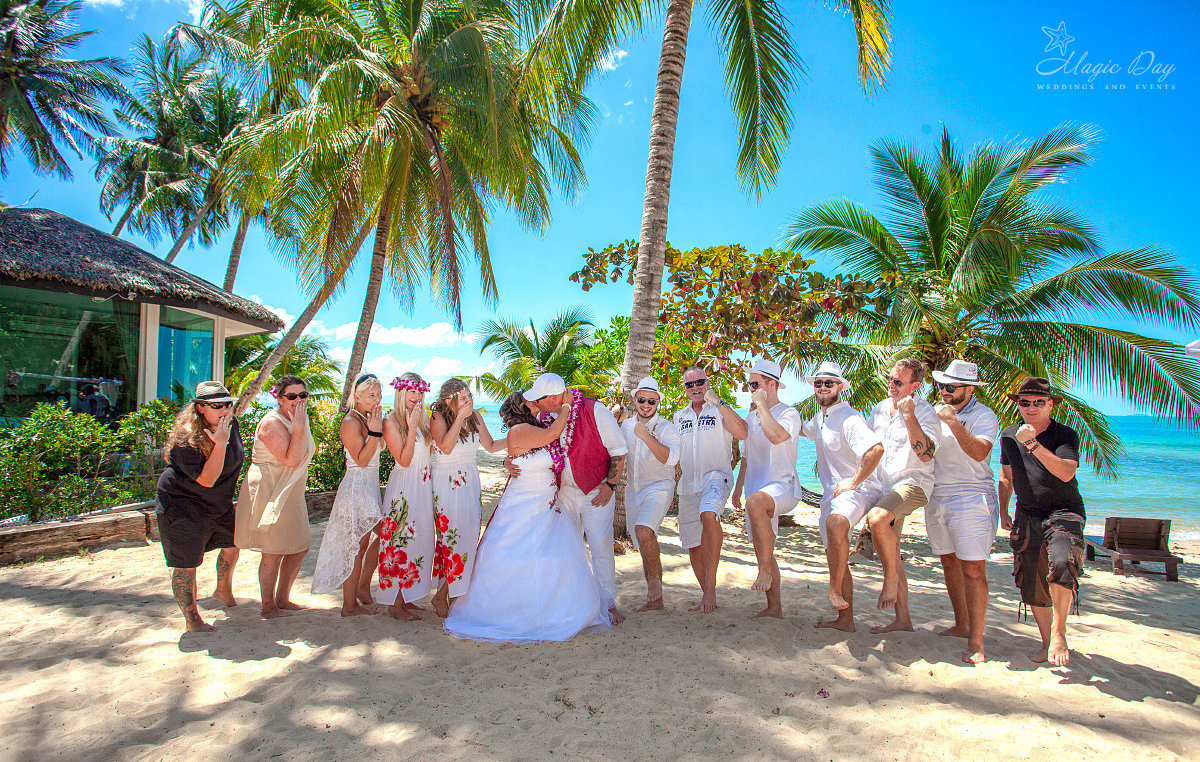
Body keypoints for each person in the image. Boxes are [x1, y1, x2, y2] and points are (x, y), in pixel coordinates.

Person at [444, 393, 613, 644]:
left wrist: (507, 459)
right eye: (532, 401)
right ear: (521, 408)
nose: (538, 403)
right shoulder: (520, 430)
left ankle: (553, 608)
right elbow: (553, 434)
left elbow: (549, 448)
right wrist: (567, 404)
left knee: (553, 555)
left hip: (547, 503)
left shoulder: (536, 426)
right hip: (523, 503)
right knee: (517, 553)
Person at [521, 372, 629, 624]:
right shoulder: (545, 417)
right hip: (564, 491)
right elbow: (526, 445)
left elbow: (619, 450)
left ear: (556, 397)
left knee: (601, 548)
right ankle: (572, 601)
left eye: (540, 398)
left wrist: (610, 485)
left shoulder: (595, 410)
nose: (536, 403)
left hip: (596, 491)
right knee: (568, 548)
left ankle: (608, 604)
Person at [999, 377, 1086, 668]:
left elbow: (1066, 473)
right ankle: (1047, 642)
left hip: (1064, 510)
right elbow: (1006, 476)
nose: (1031, 408)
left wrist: (1033, 444)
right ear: (1019, 405)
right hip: (1027, 513)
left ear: (1050, 404)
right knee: (1031, 581)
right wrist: (1003, 510)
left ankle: (1059, 633)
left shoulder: (1064, 435)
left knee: (1062, 562)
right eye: (1025, 403)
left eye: (1039, 402)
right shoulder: (1009, 435)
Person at [797, 361, 884, 633]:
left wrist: (853, 482)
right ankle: (845, 620)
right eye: (818, 383)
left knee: (836, 524)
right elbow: (801, 430)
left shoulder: (849, 417)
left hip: (859, 490)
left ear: (840, 387)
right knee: (835, 554)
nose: (823, 387)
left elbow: (876, 450)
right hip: (832, 495)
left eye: (829, 383)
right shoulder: (820, 418)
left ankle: (834, 588)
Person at [927, 360, 1000, 664]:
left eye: (951, 387)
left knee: (972, 569)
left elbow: (980, 452)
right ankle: (961, 625)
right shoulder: (932, 411)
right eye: (941, 385)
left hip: (972, 497)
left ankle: (977, 641)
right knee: (948, 563)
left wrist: (953, 422)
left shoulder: (983, 415)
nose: (944, 391)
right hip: (937, 495)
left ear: (970, 389)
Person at [155, 381, 243, 632]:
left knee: (234, 543)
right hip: (182, 504)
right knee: (187, 563)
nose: (225, 409)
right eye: (217, 405)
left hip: (218, 503)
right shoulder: (187, 438)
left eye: (229, 404)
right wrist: (221, 443)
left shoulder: (229, 424)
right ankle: (192, 620)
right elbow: (207, 479)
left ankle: (222, 589)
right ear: (200, 408)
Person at [865, 358, 940, 634]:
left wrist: (909, 415)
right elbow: (865, 445)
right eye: (890, 379)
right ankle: (903, 621)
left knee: (877, 518)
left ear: (914, 386)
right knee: (892, 551)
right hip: (887, 487)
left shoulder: (926, 412)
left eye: (898, 382)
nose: (891, 385)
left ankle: (890, 580)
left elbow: (926, 454)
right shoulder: (880, 409)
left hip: (915, 484)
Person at [235, 375, 316, 619]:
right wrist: (300, 427)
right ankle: (268, 606)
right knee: (273, 549)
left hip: (290, 489)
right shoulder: (272, 423)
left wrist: (300, 424)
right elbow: (291, 459)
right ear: (279, 398)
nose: (298, 400)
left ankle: (283, 598)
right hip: (270, 487)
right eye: (291, 396)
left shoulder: (300, 417)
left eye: (303, 395)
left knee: (300, 546)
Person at [311, 373, 386, 616]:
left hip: (371, 487)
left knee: (382, 537)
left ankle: (362, 590)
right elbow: (362, 461)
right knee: (358, 546)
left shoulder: (369, 417)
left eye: (379, 394)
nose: (376, 399)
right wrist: (375, 432)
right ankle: (350, 605)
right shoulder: (351, 422)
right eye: (371, 395)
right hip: (356, 487)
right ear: (357, 395)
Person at [429, 378, 505, 617]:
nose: (469, 401)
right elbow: (446, 446)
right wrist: (460, 417)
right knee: (452, 539)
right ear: (447, 400)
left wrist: (520, 439)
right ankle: (441, 596)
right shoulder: (437, 417)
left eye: (470, 396)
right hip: (446, 483)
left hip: (470, 481)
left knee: (469, 537)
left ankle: (454, 594)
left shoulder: (477, 417)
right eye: (463, 398)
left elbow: (491, 446)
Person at [675, 366, 747, 614]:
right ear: (684, 388)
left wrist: (720, 402)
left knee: (709, 514)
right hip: (687, 484)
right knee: (692, 544)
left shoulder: (719, 410)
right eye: (689, 384)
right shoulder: (679, 417)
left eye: (699, 382)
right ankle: (706, 592)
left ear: (708, 383)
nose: (695, 388)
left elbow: (742, 432)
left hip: (717, 477)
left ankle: (711, 588)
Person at [736, 359, 802, 618]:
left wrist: (762, 404)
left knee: (755, 504)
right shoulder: (751, 416)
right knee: (764, 549)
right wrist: (738, 488)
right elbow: (747, 456)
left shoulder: (789, 413)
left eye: (755, 384)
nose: (750, 389)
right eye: (749, 385)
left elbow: (776, 436)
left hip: (783, 486)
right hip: (756, 490)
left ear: (771, 385)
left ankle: (763, 570)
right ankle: (774, 608)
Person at [377, 373, 434, 621]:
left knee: (419, 541)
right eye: (412, 392)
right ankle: (394, 604)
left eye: (420, 392)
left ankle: (408, 597)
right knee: (399, 542)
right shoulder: (391, 422)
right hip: (404, 488)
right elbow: (404, 459)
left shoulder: (423, 419)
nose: (417, 397)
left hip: (423, 486)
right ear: (401, 393)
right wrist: (411, 428)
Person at [619, 376, 680, 612]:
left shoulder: (666, 428)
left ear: (658, 403)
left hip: (660, 486)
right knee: (642, 540)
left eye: (651, 401)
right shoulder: (625, 425)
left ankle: (655, 590)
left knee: (644, 531)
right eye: (642, 399)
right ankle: (655, 600)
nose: (646, 405)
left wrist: (646, 436)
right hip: (634, 490)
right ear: (635, 399)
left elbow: (671, 459)